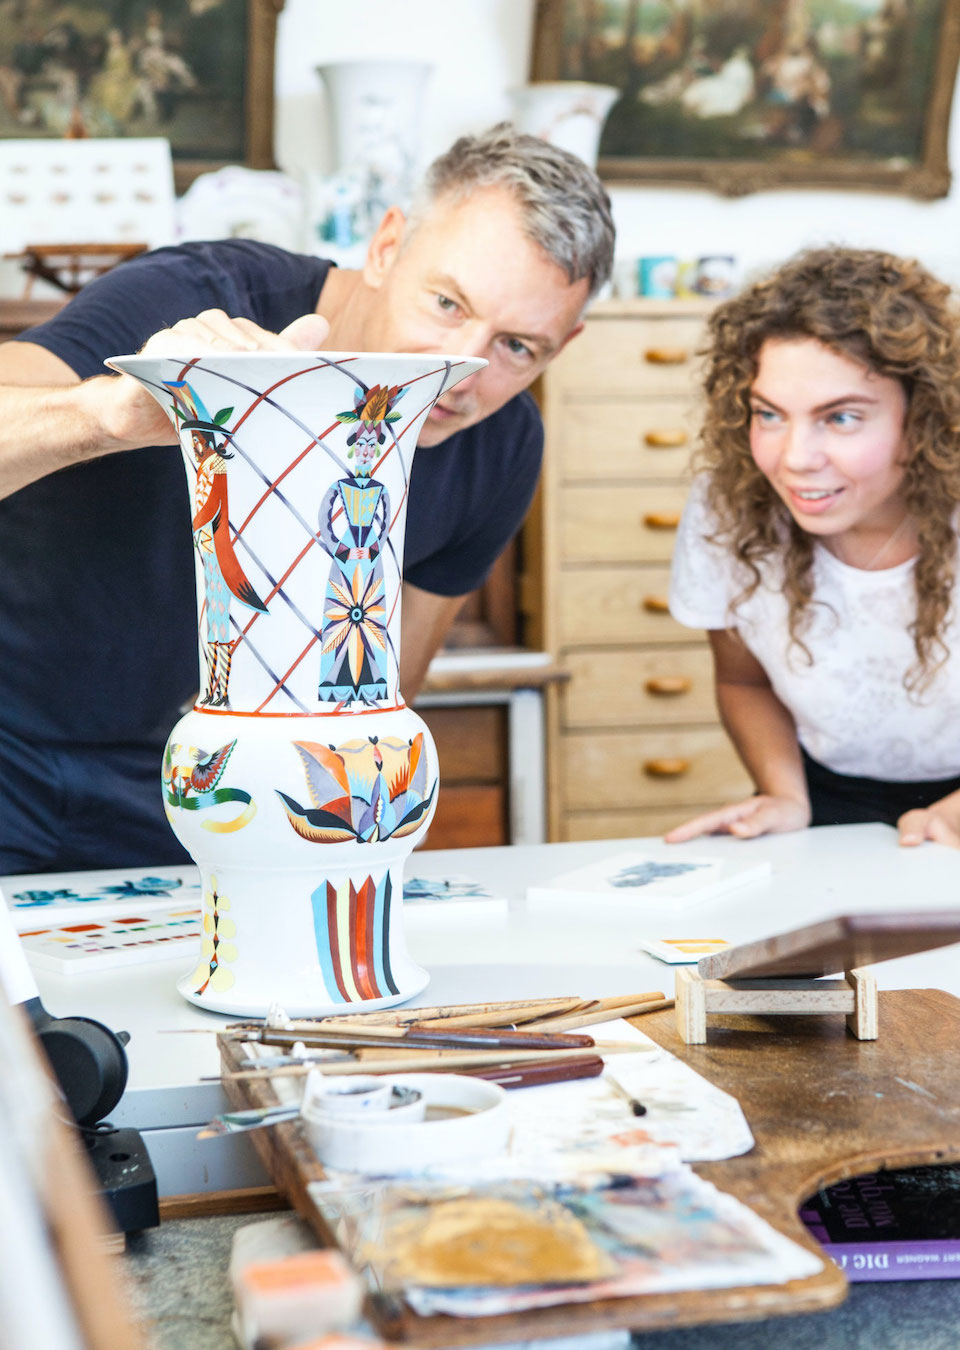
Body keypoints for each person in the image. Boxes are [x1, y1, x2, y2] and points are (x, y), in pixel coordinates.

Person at [0, 122, 615, 874]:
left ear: (562, 347)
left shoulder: (502, 447)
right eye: (448, 304)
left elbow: (380, 693)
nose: (461, 367)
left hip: (209, 784)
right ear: (386, 247)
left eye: (517, 347)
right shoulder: (191, 296)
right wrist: (109, 414)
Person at [664, 247, 960, 850]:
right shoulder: (731, 509)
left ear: (925, 419)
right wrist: (783, 795)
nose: (796, 458)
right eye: (769, 414)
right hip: (826, 790)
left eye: (841, 418)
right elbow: (744, 683)